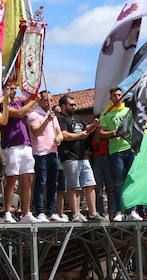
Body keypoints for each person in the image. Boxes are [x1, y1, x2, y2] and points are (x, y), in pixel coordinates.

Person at [98, 87, 141, 221]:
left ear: (122, 97)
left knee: (131, 180)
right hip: (115, 152)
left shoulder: (128, 111)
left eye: (119, 95)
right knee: (118, 182)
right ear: (110, 98)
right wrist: (114, 133)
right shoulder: (105, 113)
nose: (117, 97)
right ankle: (119, 211)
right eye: (114, 95)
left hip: (130, 149)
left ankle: (132, 211)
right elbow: (100, 133)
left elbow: (139, 124)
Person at [56, 94, 101, 221]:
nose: (74, 107)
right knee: (73, 186)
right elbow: (64, 135)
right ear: (63, 106)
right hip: (70, 156)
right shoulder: (60, 119)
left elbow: (87, 129)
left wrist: (94, 125)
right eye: (71, 105)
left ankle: (93, 213)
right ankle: (75, 214)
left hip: (83, 156)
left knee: (90, 184)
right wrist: (79, 136)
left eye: (75, 104)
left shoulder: (77, 117)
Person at [27, 89, 65, 222]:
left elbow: (60, 132)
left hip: (53, 152)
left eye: (51, 100)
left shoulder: (53, 116)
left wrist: (59, 138)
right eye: (46, 100)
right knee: (41, 182)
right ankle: (40, 211)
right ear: (39, 101)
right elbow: (36, 132)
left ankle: (51, 211)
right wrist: (47, 120)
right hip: (40, 153)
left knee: (53, 183)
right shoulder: (33, 115)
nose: (49, 102)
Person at [0, 86, 34, 223]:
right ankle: (7, 212)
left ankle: (26, 213)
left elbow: (30, 98)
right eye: (10, 88)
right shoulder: (2, 105)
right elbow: (20, 113)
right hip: (11, 145)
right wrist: (34, 101)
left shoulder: (19, 102)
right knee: (12, 179)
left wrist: (34, 91)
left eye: (15, 88)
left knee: (28, 178)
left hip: (26, 144)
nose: (13, 90)